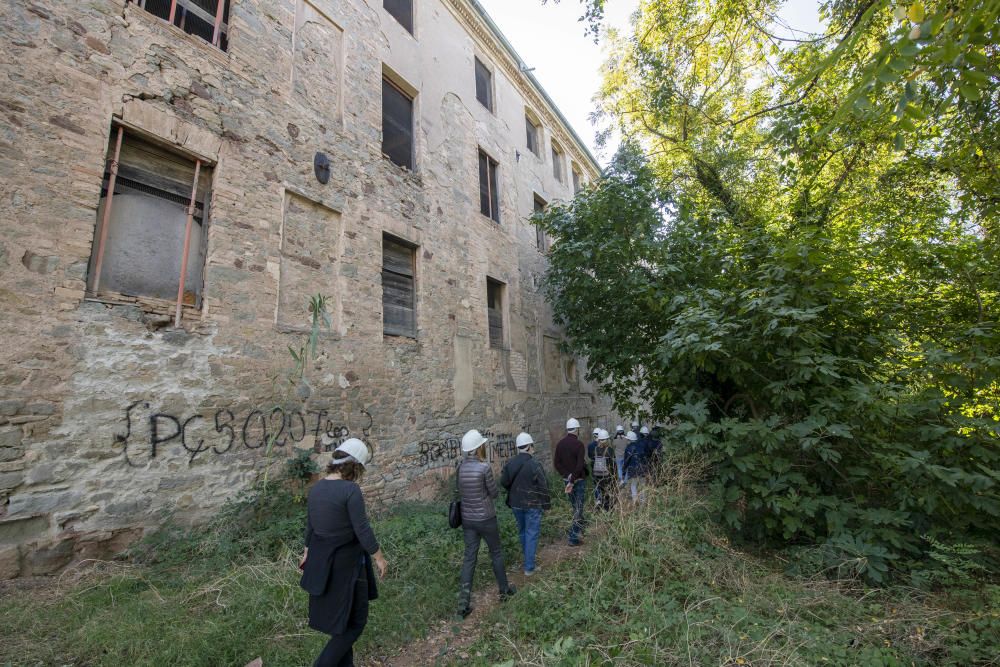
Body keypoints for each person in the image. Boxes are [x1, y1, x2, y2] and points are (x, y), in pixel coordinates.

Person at [301, 438, 388, 667]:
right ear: (354, 466)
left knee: (342, 622)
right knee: (356, 623)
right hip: (349, 567)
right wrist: (379, 557)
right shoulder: (350, 490)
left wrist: (306, 551)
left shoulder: (317, 488)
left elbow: (310, 527)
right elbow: (362, 529)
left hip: (324, 566)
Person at [456, 429, 515, 619]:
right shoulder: (484, 468)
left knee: (469, 559)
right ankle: (504, 591)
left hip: (468, 520)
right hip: (486, 518)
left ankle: (463, 604)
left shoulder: (460, 468)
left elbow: (462, 492)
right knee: (496, 553)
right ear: (479, 447)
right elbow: (494, 493)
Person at [499, 432, 552, 576]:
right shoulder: (535, 464)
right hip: (532, 504)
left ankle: (528, 561)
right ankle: (529, 567)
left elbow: (503, 482)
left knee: (523, 532)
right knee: (532, 533)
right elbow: (543, 486)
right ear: (529, 447)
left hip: (516, 504)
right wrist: (546, 505)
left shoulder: (510, 463)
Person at [553, 417, 587, 546]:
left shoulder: (560, 444)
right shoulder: (579, 444)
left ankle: (581, 528)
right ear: (577, 430)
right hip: (577, 481)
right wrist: (572, 479)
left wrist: (567, 476)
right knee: (578, 508)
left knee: (575, 507)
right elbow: (579, 466)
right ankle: (573, 537)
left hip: (566, 480)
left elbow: (557, 463)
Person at [590, 429, 618, 511]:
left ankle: (600, 505)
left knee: (600, 491)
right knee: (608, 493)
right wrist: (614, 476)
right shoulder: (609, 450)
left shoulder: (595, 449)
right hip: (607, 476)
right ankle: (607, 509)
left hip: (597, 475)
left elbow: (592, 463)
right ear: (607, 440)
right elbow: (613, 465)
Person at [623, 430, 645, 503]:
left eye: (627, 439)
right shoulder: (641, 446)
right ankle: (643, 501)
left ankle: (635, 501)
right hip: (642, 469)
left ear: (629, 439)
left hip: (632, 469)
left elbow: (626, 461)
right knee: (642, 485)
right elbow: (644, 458)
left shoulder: (628, 448)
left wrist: (623, 472)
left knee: (633, 485)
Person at [587, 427, 601, 504]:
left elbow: (589, 455)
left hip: (593, 464)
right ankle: (603, 498)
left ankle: (598, 499)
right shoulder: (602, 445)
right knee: (603, 481)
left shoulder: (590, 445)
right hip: (602, 464)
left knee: (596, 482)